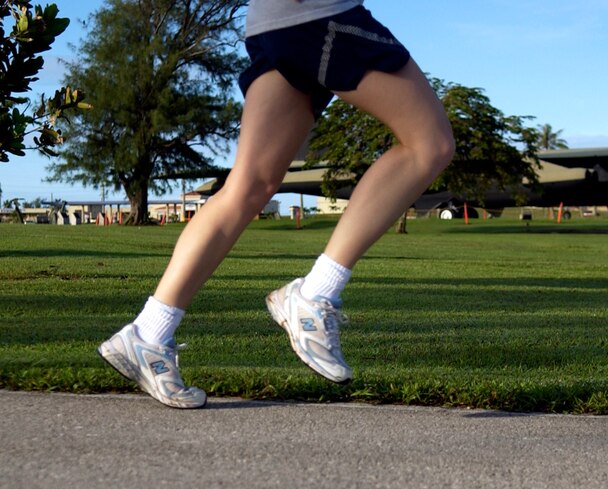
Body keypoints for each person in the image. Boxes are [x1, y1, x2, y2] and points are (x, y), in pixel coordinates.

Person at [98, 0, 455, 408]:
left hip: (273, 23)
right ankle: (315, 295)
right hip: (319, 15)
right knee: (430, 144)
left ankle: (148, 334)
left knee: (248, 187)